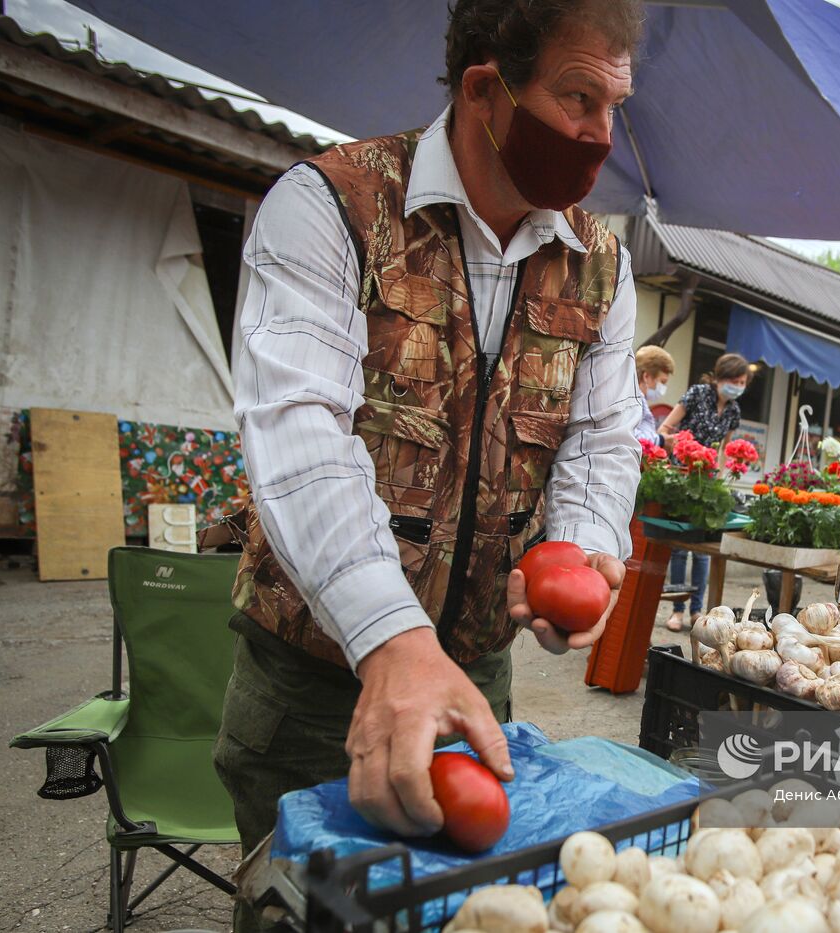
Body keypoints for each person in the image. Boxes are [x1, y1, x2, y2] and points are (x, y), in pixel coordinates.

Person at [212, 4, 645, 924]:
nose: (601, 136)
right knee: (313, 912)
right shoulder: (329, 204)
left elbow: (604, 434)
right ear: (486, 89)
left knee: (465, 913)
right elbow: (299, 436)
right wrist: (392, 639)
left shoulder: (602, 264)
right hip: (314, 685)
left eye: (616, 106)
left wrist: (576, 545)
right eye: (578, 97)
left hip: (475, 676)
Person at [658, 352, 750, 630]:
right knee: (678, 549)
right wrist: (672, 455)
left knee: (703, 549)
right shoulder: (698, 394)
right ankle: (677, 610)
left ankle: (697, 610)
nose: (738, 386)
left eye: (743, 382)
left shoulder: (733, 410)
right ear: (721, 377)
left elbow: (725, 448)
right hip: (681, 476)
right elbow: (666, 427)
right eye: (734, 380)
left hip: (708, 482)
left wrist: (720, 478)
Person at [633, 345, 674, 446]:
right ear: (646, 376)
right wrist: (661, 440)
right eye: (662, 382)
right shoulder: (633, 399)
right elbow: (630, 436)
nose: (664, 387)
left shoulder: (639, 399)